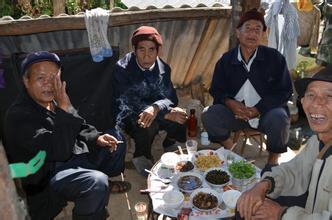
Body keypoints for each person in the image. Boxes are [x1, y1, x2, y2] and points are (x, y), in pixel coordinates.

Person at [3, 51, 130, 220]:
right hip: (49, 173)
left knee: (116, 138)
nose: (49, 84)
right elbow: (59, 151)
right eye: (41, 78)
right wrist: (64, 110)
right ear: (26, 81)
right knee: (96, 182)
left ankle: (99, 181)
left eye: (53, 78)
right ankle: (93, 196)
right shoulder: (18, 116)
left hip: (74, 155)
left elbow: (77, 123)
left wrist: (96, 137)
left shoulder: (52, 101)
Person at [236, 65, 332, 220]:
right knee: (247, 208)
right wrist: (266, 184)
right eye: (311, 95)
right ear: (303, 101)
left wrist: (281, 214)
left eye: (329, 96)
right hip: (308, 208)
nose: (316, 103)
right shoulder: (317, 141)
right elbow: (295, 170)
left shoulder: (274, 61)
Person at [201, 8, 293, 170]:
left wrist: (258, 109)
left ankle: (272, 161)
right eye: (248, 28)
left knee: (280, 117)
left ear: (263, 34)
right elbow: (216, 89)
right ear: (238, 33)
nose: (252, 34)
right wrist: (230, 103)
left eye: (257, 29)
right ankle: (233, 152)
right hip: (236, 115)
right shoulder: (226, 60)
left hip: (266, 114)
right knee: (209, 114)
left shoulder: (275, 58)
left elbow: (284, 91)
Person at [111, 26, 187, 176]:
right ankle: (141, 155)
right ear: (134, 50)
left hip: (154, 109)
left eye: (151, 50)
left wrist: (157, 107)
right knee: (146, 124)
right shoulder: (122, 69)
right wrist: (162, 114)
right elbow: (127, 102)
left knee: (180, 115)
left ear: (158, 51)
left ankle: (169, 142)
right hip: (128, 114)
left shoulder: (163, 68)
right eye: (141, 50)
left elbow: (171, 98)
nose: (146, 55)